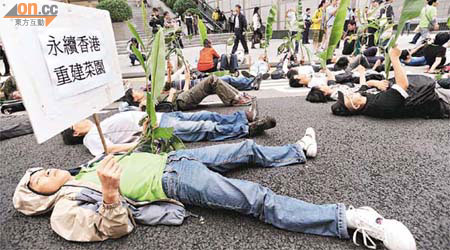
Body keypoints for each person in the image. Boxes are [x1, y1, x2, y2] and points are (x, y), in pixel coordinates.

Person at [14, 131, 417, 250]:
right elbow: (114, 228)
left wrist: (122, 150)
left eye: (43, 167)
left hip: (175, 159)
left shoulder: (83, 166)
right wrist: (110, 193)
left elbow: (125, 158)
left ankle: (296, 150)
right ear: (38, 198)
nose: (46, 170)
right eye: (38, 178)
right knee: (255, 199)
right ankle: (349, 221)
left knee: (243, 148)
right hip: (173, 182)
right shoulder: (65, 207)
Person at [61, 103, 277, 156]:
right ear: (76, 133)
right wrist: (143, 140)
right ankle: (246, 130)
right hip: (158, 127)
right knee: (203, 128)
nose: (79, 119)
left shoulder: (98, 125)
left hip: (162, 117)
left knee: (204, 116)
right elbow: (109, 150)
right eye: (74, 123)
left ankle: (242, 117)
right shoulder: (90, 137)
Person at [331, 47, 450, 119]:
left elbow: (365, 85)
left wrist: (373, 81)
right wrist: (395, 58)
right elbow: (403, 85)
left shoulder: (362, 98)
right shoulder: (379, 105)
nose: (349, 94)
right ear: (355, 106)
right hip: (436, 99)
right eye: (347, 98)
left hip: (427, 87)